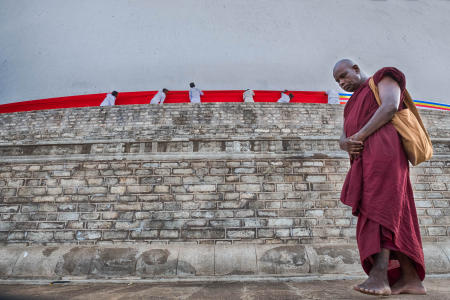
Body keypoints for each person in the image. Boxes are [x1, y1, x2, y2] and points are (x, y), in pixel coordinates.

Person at [333, 59, 426, 296]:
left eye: (344, 76)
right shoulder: (350, 104)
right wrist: (346, 144)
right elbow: (344, 136)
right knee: (391, 210)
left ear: (355, 68)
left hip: (385, 154)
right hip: (364, 161)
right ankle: (410, 278)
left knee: (380, 207)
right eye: (338, 81)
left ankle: (380, 275)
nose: (342, 83)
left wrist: (360, 136)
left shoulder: (382, 78)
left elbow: (390, 106)